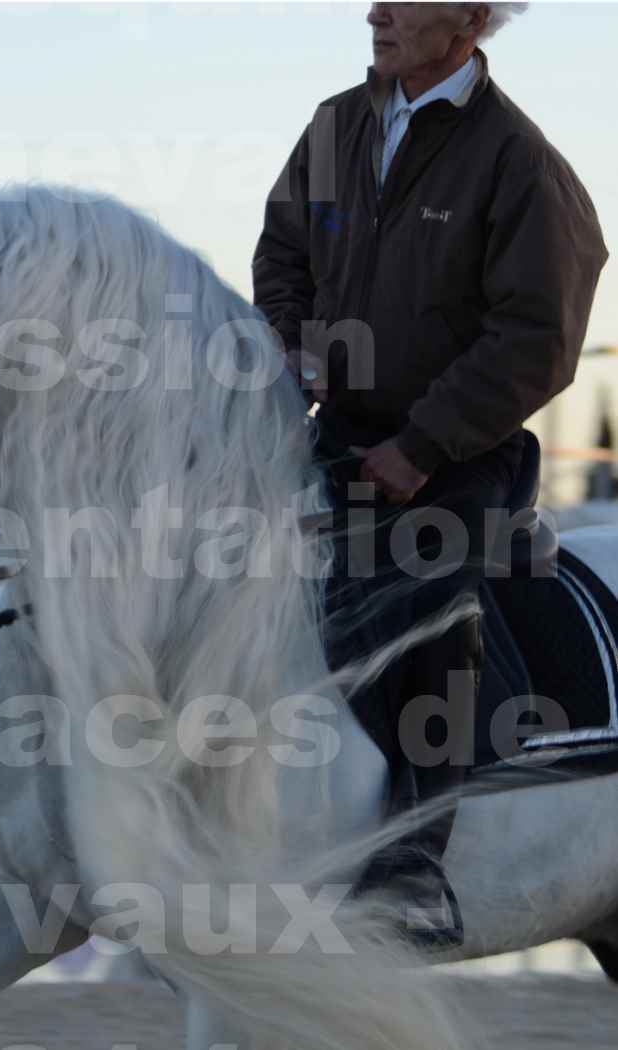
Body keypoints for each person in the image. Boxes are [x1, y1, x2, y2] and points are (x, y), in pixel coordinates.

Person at [252, 2, 607, 948]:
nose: (376, 11)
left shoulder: (522, 163)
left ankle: (412, 862)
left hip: (459, 456)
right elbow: (282, 252)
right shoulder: (337, 125)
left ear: (471, 19)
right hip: (334, 433)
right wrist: (294, 345)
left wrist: (423, 444)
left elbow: (539, 339)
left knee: (427, 594)